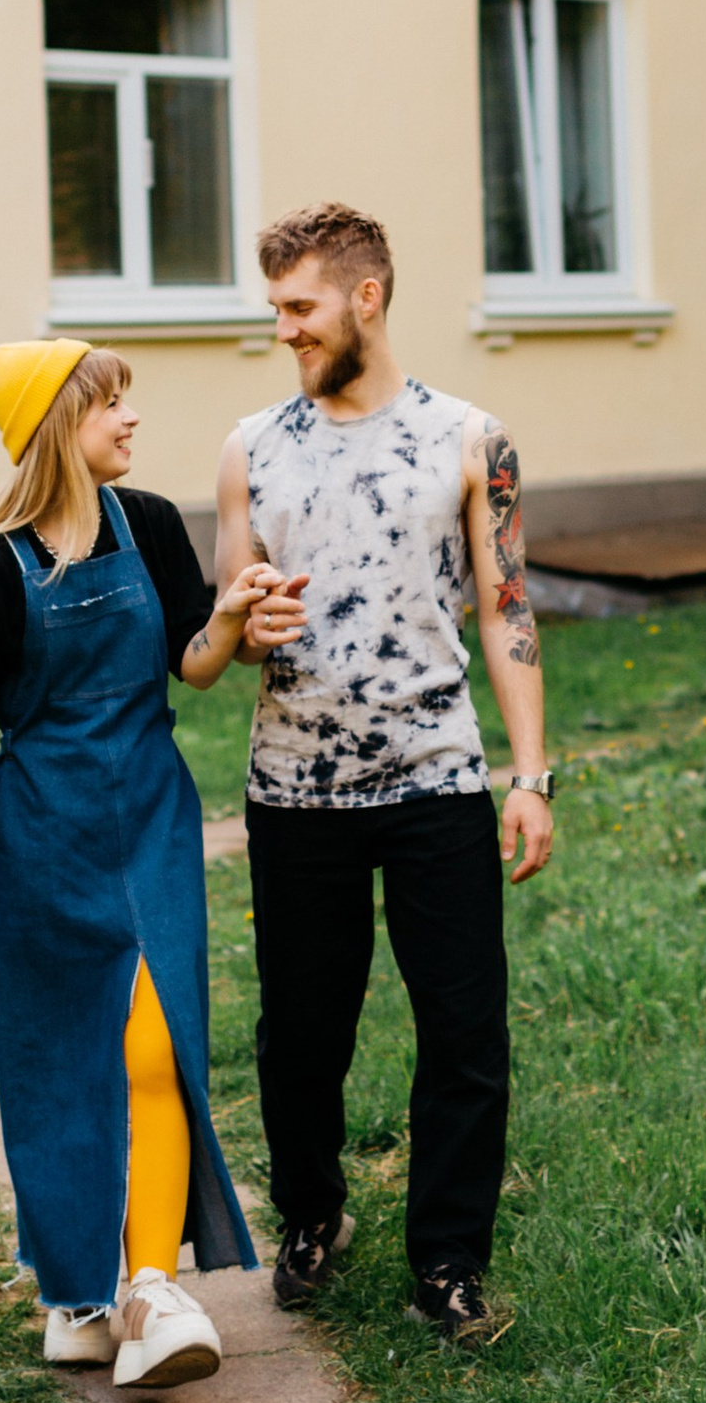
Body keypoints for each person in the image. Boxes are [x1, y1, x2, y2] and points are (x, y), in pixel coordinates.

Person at [0, 340, 298, 1391]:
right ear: (54, 429)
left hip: (151, 819)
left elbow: (195, 667)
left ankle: (153, 1285)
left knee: (159, 1043)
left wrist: (221, 618)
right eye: (110, 405)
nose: (130, 420)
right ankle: (77, 1294)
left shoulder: (153, 525)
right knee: (57, 1063)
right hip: (39, 837)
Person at [214, 202, 553, 1340]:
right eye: (276, 310)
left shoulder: (468, 438)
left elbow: (507, 607)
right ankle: (312, 1214)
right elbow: (229, 606)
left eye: (299, 307)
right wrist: (244, 622)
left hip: (434, 781)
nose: (285, 331)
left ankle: (448, 1262)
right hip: (294, 790)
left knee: (464, 1030)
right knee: (302, 1031)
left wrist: (530, 774)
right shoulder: (249, 448)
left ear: (365, 297)